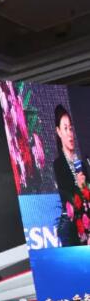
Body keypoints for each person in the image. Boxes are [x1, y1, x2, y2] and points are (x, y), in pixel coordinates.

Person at [52, 104, 88, 246]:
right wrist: (79, 187)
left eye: (71, 128)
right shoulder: (58, 165)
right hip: (72, 234)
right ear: (58, 132)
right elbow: (67, 201)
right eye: (65, 128)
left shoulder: (82, 165)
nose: (70, 133)